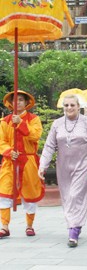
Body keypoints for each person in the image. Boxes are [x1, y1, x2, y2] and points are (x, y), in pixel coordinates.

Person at [38, 94, 87, 247]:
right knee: (67, 197)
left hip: (83, 164)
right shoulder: (57, 124)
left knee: (75, 195)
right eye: (66, 105)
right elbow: (49, 146)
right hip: (63, 166)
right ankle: (75, 225)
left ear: (78, 106)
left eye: (72, 105)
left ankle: (72, 230)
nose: (69, 108)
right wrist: (43, 165)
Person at [0, 90, 43, 239]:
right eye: (15, 100)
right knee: (4, 192)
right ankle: (4, 227)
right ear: (10, 103)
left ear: (26, 103)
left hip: (28, 162)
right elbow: (2, 141)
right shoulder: (4, 121)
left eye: (20, 100)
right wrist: (9, 151)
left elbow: (35, 135)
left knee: (29, 193)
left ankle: (29, 225)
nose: (17, 103)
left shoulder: (33, 119)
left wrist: (21, 123)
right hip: (9, 163)